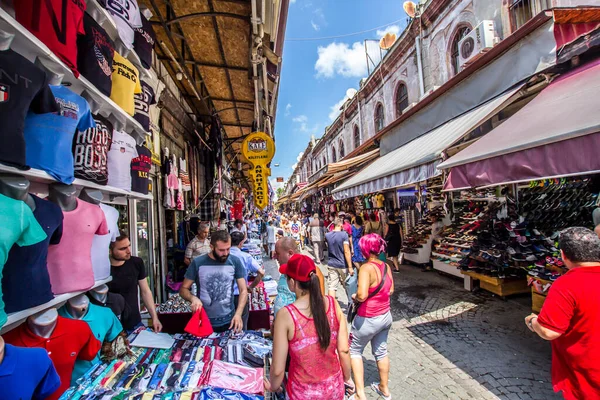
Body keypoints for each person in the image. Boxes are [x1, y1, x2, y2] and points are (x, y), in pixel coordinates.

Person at [524, 227, 600, 399]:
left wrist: (532, 321)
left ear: (564, 255)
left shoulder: (567, 285)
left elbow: (548, 331)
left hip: (587, 375)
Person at [266, 254, 354, 399]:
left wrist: (272, 386)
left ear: (293, 282)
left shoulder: (286, 315)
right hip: (334, 389)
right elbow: (344, 350)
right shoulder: (333, 304)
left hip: (302, 393)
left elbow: (277, 370)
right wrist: (347, 378)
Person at [350, 234, 394, 400]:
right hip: (385, 316)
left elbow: (361, 295)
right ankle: (384, 388)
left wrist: (355, 296)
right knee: (381, 351)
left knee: (354, 350)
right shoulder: (386, 266)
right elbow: (390, 290)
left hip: (368, 318)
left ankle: (360, 393)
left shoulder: (366, 269)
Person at [180, 230, 248, 333]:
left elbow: (243, 290)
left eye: (228, 249)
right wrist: (192, 298)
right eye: (221, 250)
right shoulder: (198, 263)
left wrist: (238, 314)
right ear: (211, 247)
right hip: (204, 320)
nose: (225, 253)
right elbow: (183, 289)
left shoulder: (235, 261)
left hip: (229, 320)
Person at [108, 234, 162, 333]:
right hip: (110, 327)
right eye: (123, 248)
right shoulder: (102, 269)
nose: (128, 251)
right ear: (110, 251)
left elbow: (145, 291)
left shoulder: (136, 263)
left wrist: (154, 317)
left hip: (134, 323)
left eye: (129, 246)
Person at [273, 237, 325, 316]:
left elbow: (319, 303)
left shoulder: (312, 271)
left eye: (278, 253)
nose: (275, 257)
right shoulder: (285, 270)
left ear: (290, 253)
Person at [229, 231, 265, 330]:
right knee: (240, 323)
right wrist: (251, 287)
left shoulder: (223, 255)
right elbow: (261, 272)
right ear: (241, 243)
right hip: (241, 295)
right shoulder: (245, 256)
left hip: (225, 295)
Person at [325, 218, 354, 298]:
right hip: (342, 264)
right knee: (348, 285)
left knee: (332, 286)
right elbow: (346, 251)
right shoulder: (344, 235)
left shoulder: (327, 235)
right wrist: (350, 267)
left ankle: (332, 306)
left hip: (332, 263)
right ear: (341, 225)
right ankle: (351, 304)